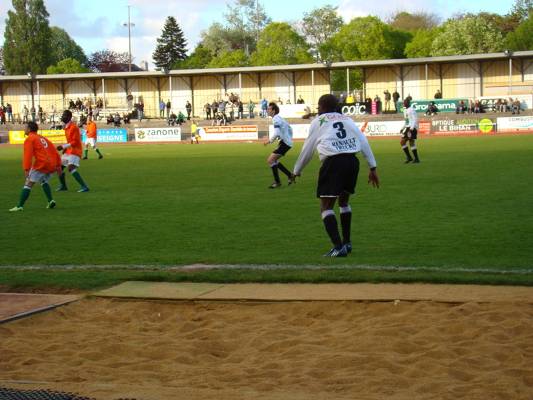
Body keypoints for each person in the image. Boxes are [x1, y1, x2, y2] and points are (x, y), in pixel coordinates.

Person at [292, 94, 379, 257]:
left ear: (322, 107)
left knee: (325, 207)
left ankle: (338, 247)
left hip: (334, 163)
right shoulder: (347, 119)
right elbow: (363, 141)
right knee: (344, 202)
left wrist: (296, 170)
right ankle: (347, 243)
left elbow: (308, 148)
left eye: (318, 107)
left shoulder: (318, 121)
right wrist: (373, 167)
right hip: (352, 162)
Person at [9, 121, 62, 212]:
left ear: (29, 129)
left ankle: (19, 206)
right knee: (43, 180)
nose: (24, 129)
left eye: (25, 127)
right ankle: (50, 201)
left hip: (41, 164)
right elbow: (53, 150)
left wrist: (26, 169)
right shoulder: (42, 138)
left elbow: (28, 155)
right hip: (51, 164)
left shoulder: (30, 139)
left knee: (28, 183)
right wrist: (58, 165)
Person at [56, 109, 90, 192]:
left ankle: (84, 186)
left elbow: (75, 141)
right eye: (62, 115)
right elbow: (69, 141)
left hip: (75, 151)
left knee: (70, 168)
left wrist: (63, 146)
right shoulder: (66, 127)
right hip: (68, 151)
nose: (62, 117)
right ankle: (63, 186)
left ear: (69, 117)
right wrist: (65, 149)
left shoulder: (73, 127)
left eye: (64, 115)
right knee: (59, 167)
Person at [264, 102, 295, 189]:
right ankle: (289, 175)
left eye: (269, 109)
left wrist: (269, 141)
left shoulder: (276, 119)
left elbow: (277, 132)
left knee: (270, 160)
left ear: (273, 111)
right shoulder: (280, 118)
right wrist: (288, 138)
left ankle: (278, 182)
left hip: (285, 143)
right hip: (285, 142)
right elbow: (289, 128)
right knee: (273, 160)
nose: (267, 110)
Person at [401, 98, 420, 164]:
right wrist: (402, 127)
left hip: (412, 128)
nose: (403, 103)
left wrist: (412, 128)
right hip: (407, 127)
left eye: (404, 102)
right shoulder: (405, 110)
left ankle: (416, 159)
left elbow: (415, 119)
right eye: (403, 102)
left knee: (411, 142)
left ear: (408, 103)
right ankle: (410, 157)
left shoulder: (412, 110)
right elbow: (407, 121)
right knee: (402, 142)